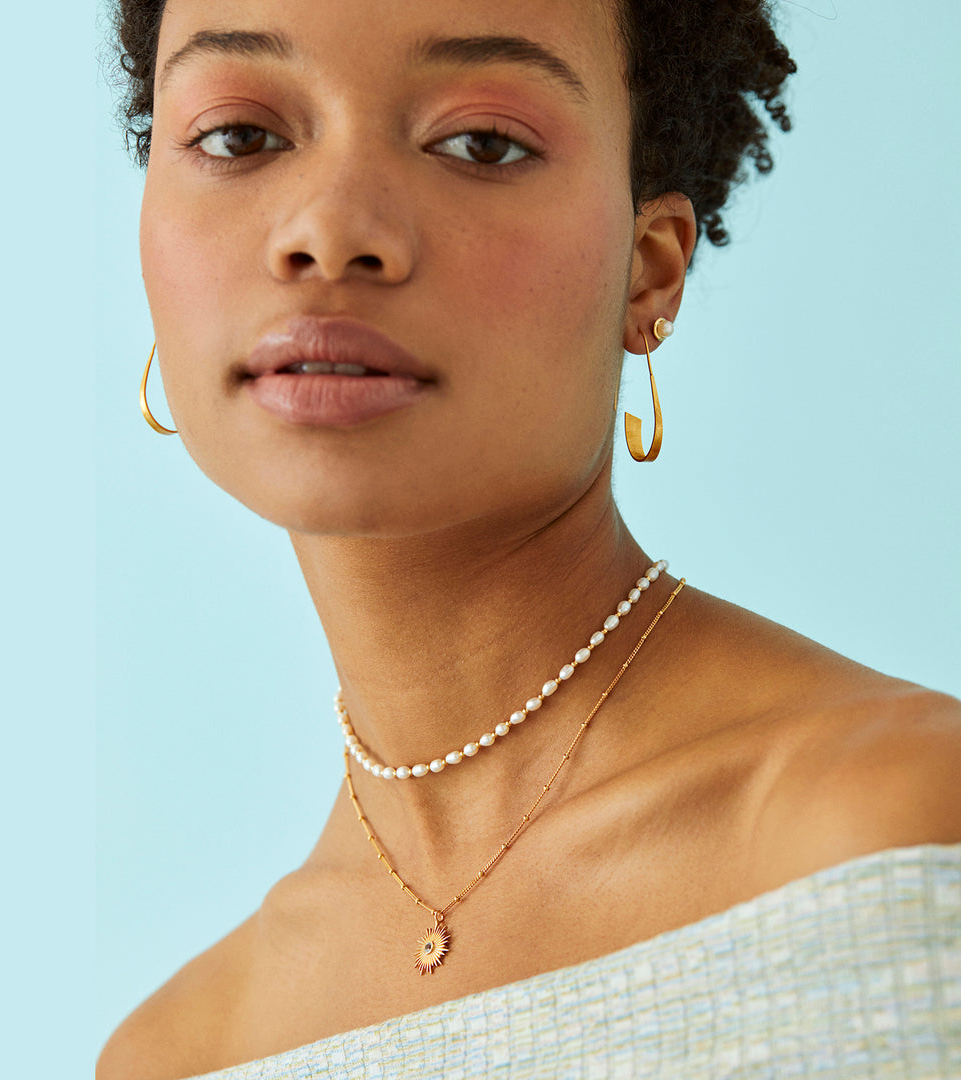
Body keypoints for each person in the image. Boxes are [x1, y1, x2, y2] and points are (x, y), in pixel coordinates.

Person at [97, 0, 961, 1076]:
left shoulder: (904, 841)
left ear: (649, 270)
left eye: (482, 143)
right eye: (240, 136)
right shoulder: (178, 1055)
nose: (328, 231)